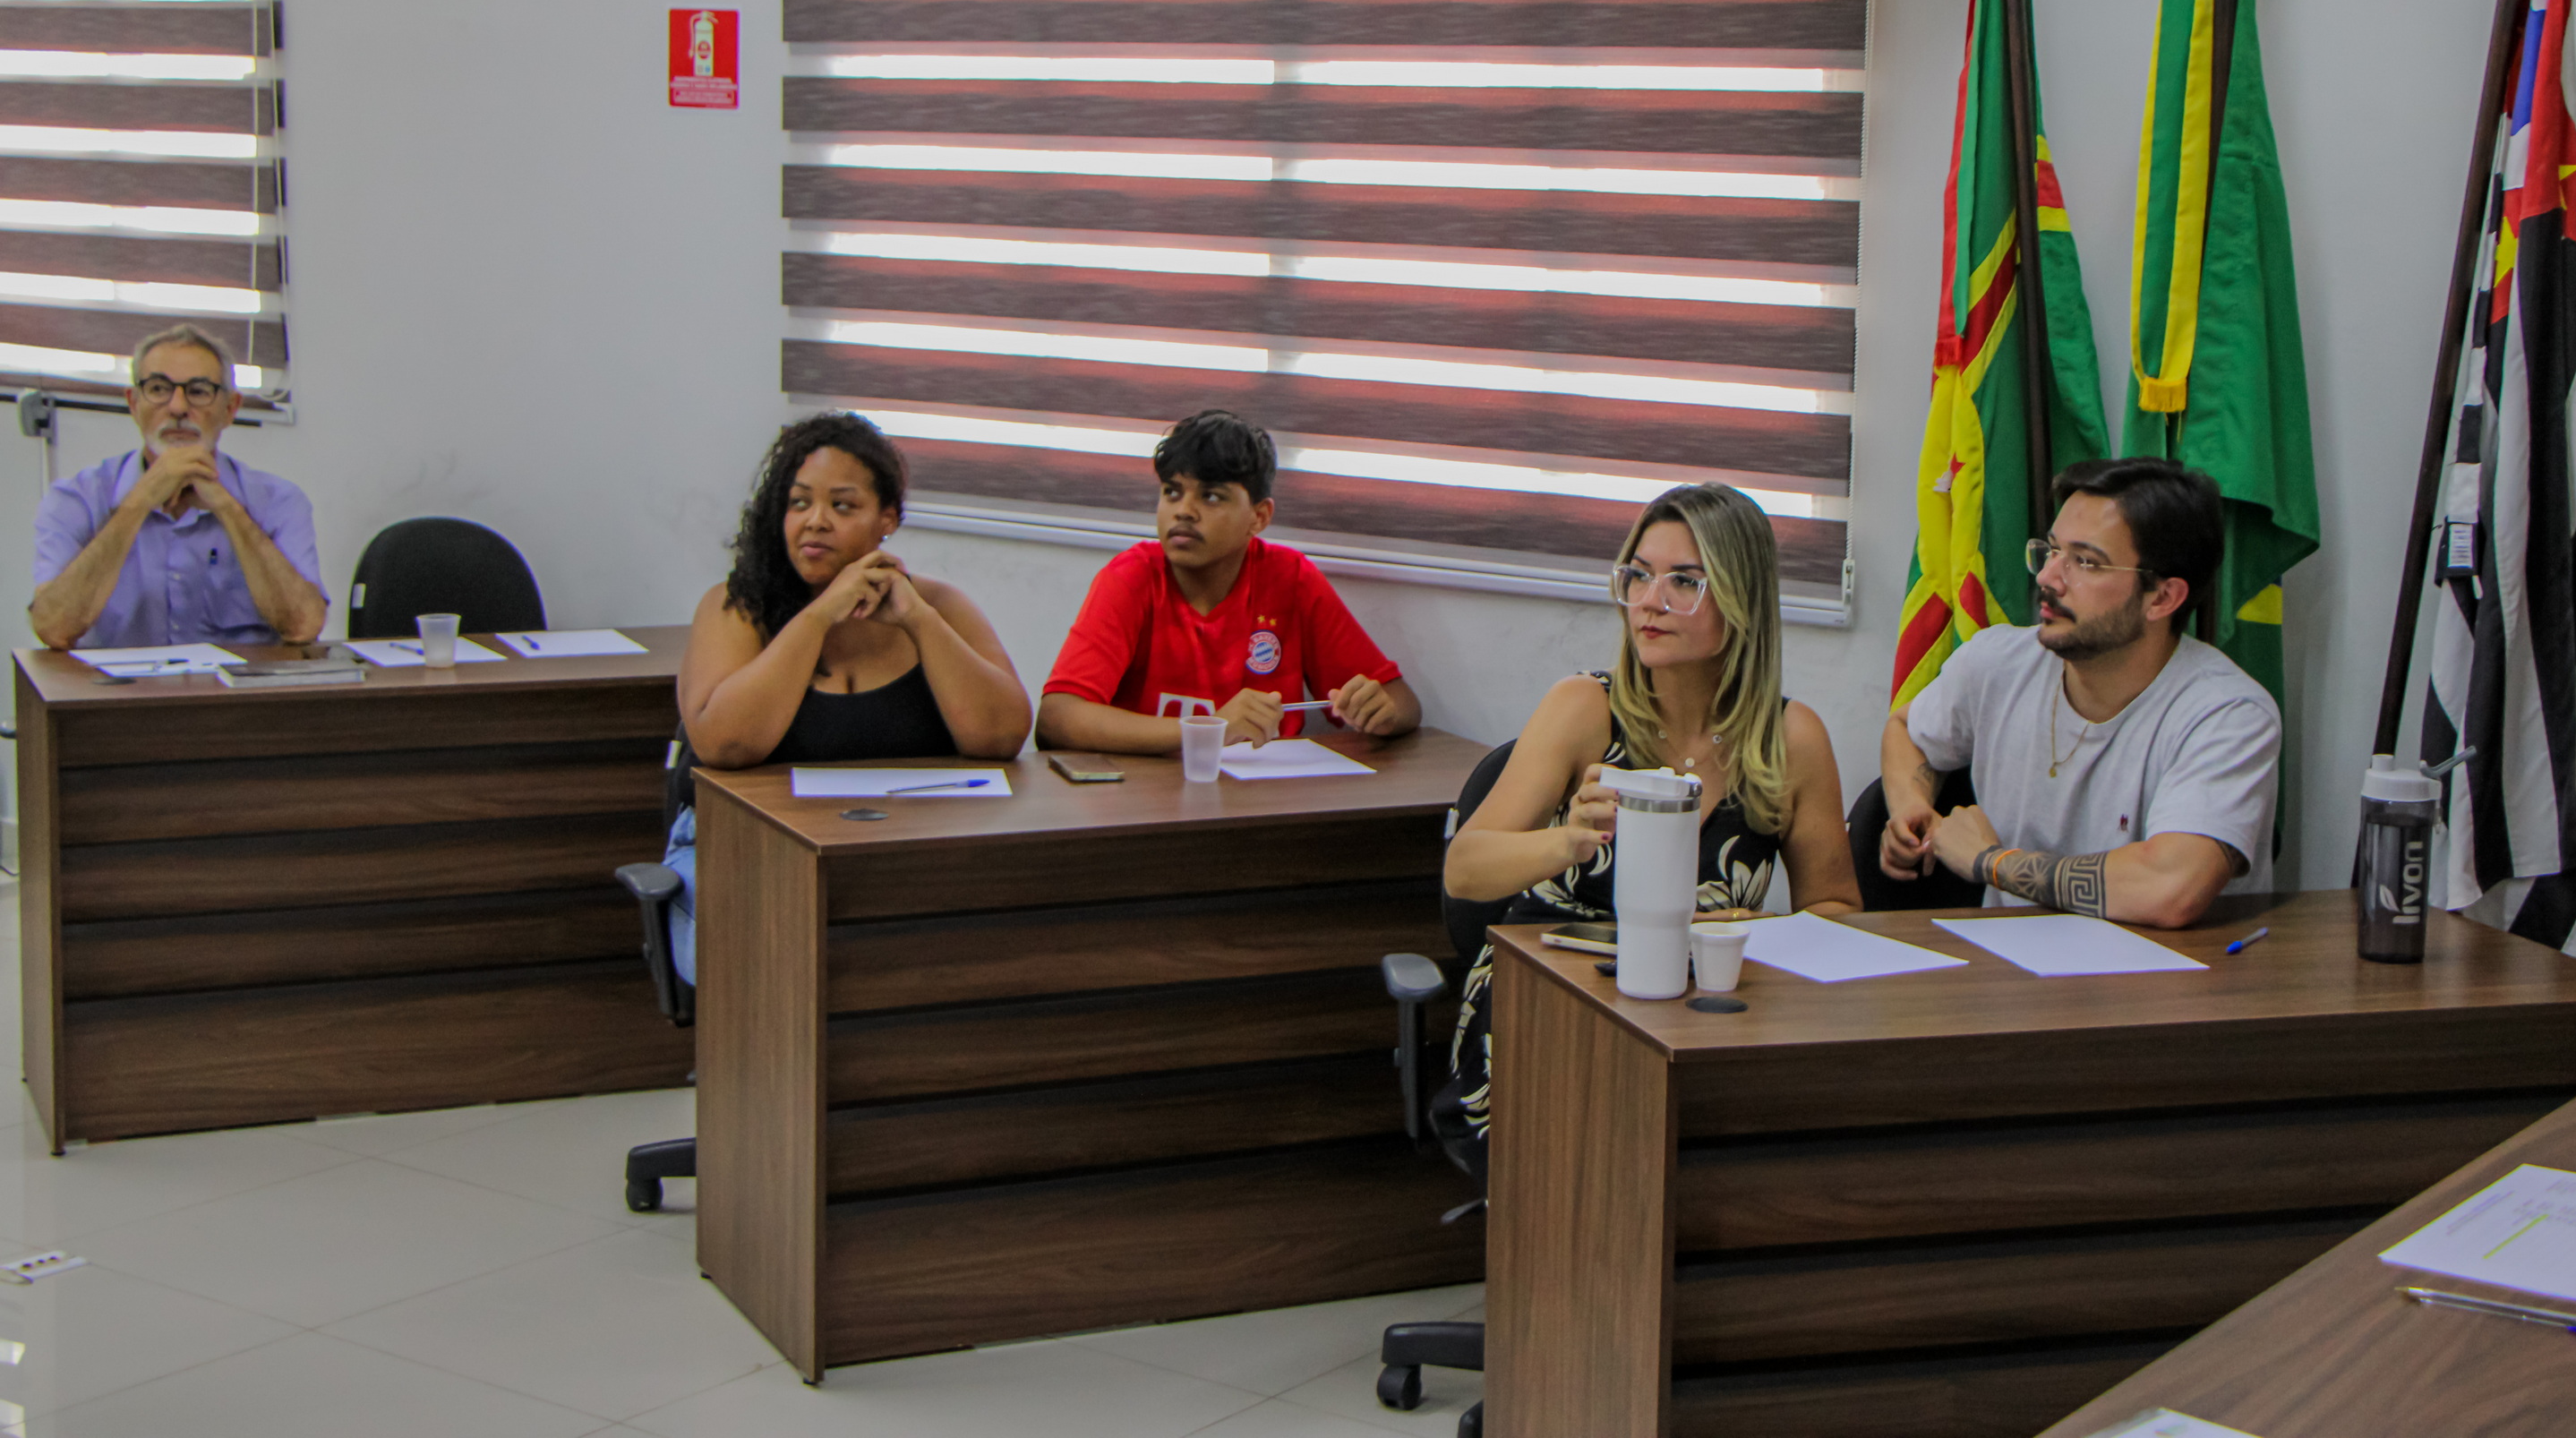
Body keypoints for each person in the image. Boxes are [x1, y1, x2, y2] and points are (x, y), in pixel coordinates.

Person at [1439, 483, 1860, 1168]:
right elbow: (1465, 869)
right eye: (1638, 575)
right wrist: (1567, 839)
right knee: (1609, 1153)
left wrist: (1762, 930)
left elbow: (1838, 909)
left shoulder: (1790, 738)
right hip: (1555, 1000)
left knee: (1777, 1150)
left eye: (1684, 582)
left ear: (1741, 599)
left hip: (1706, 1013)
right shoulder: (1584, 707)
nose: (1649, 601)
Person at [662, 412, 1031, 979]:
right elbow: (724, 744)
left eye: (842, 505)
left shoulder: (939, 607)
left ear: (887, 521)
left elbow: (1001, 736)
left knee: (969, 950)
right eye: (799, 503)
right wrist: (819, 616)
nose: (816, 521)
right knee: (774, 960)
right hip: (735, 855)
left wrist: (919, 621)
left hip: (884, 859)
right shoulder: (737, 606)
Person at [1879, 457, 2279, 928]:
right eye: (2051, 551)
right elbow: (1905, 729)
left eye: (2086, 562)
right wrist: (1911, 806)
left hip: (2165, 970)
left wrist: (1991, 862)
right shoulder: (1997, 662)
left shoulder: (2229, 714)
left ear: (2162, 597)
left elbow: (2172, 887)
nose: (2048, 578)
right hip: (2009, 963)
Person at [1036, 408, 1419, 754]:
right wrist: (1208, 731)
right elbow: (1057, 718)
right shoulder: (1132, 577)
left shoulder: (1290, 578)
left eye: (1211, 497)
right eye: (1172, 492)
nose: (1184, 511)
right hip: (1151, 793)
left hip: (1264, 796)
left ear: (1259, 517)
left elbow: (1402, 703)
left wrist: (1381, 711)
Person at [30, 323, 324, 651]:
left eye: (199, 391)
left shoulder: (279, 501)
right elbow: (54, 629)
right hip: (120, 684)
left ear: (230, 409)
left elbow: (303, 627)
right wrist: (138, 502)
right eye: (158, 389)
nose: (178, 408)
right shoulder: (75, 499)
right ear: (133, 404)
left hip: (238, 684)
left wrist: (228, 508)